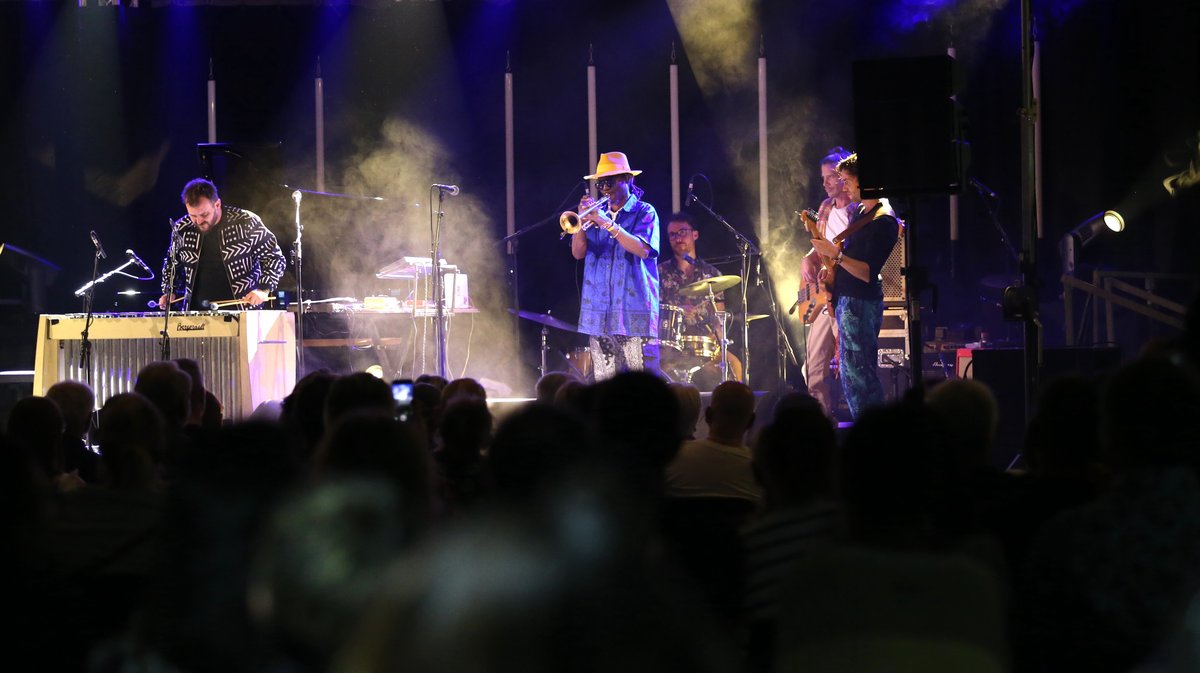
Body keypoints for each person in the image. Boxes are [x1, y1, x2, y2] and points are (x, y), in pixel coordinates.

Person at [809, 154, 900, 419]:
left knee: (859, 376)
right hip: (847, 300)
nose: (844, 186)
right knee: (851, 376)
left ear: (867, 182)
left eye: (848, 181)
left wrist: (836, 257)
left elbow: (867, 272)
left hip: (860, 304)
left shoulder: (884, 221)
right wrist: (832, 269)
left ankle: (871, 433)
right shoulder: (861, 212)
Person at [571, 152, 660, 380]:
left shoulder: (644, 212)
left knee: (639, 386)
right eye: (600, 183)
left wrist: (606, 222)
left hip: (633, 313)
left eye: (609, 182)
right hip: (599, 314)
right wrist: (581, 222)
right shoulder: (596, 217)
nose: (604, 188)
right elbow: (578, 253)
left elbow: (643, 249)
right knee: (605, 386)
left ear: (627, 179)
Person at [158, 178, 286, 311]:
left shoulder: (245, 222)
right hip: (195, 314)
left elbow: (274, 258)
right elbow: (172, 263)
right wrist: (169, 290)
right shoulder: (182, 228)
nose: (199, 220)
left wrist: (262, 290)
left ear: (217, 204)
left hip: (241, 309)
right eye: (193, 215)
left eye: (204, 214)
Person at [799, 146, 854, 417]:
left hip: (849, 294)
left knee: (850, 363)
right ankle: (822, 422)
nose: (825, 183)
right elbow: (821, 245)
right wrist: (808, 257)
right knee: (813, 366)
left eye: (830, 177)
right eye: (823, 178)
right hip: (825, 293)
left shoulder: (860, 208)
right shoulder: (825, 207)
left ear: (844, 176)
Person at [658, 212, 741, 385]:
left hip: (705, 345)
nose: (678, 238)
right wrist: (680, 313)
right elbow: (653, 314)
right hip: (670, 347)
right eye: (672, 234)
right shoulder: (659, 273)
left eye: (682, 232)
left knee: (735, 367)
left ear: (694, 234)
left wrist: (718, 343)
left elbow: (719, 319)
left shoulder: (711, 274)